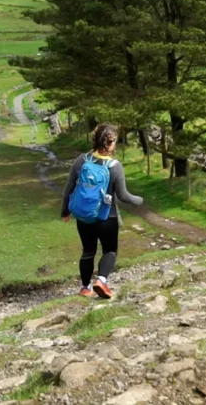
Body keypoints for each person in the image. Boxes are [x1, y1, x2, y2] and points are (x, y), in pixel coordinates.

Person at [61, 123, 143, 299]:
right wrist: (138, 200)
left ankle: (85, 288)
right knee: (110, 251)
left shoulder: (81, 161)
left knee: (88, 251)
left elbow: (68, 188)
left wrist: (65, 211)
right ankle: (101, 280)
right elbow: (123, 196)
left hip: (84, 216)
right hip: (107, 217)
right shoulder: (114, 166)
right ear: (110, 143)